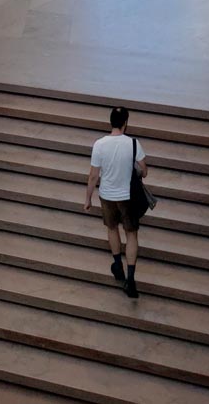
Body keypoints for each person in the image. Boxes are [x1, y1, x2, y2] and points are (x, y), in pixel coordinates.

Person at [84, 105, 147, 300]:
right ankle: (130, 278)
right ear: (126, 123)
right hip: (127, 196)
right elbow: (144, 171)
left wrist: (88, 199)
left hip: (107, 195)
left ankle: (117, 264)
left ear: (110, 122)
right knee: (131, 234)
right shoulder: (134, 144)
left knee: (112, 229)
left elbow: (93, 176)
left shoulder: (99, 144)